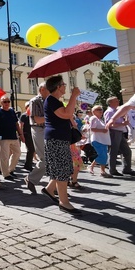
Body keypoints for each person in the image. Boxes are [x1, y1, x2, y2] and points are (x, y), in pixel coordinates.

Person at [41, 75, 82, 215]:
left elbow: (67, 114)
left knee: (60, 167)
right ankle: (64, 202)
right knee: (62, 169)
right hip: (56, 139)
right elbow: (66, 114)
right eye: (63, 84)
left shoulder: (54, 101)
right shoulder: (51, 100)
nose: (65, 86)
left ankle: (49, 189)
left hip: (59, 138)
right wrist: (74, 96)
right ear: (58, 87)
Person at [24, 82, 50, 194]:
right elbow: (37, 120)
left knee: (51, 159)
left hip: (47, 129)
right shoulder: (34, 101)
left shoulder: (49, 100)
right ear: (42, 89)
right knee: (45, 159)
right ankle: (31, 179)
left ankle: (54, 186)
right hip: (39, 130)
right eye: (49, 88)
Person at [103, 96, 135, 177]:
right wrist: (122, 124)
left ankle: (127, 169)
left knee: (127, 151)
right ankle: (112, 170)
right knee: (113, 151)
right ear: (110, 103)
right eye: (116, 101)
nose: (118, 102)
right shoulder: (109, 112)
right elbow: (109, 125)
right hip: (114, 132)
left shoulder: (116, 111)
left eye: (117, 100)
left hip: (120, 132)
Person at [0, 95, 24, 181]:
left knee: (17, 153)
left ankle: (10, 169)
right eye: (4, 101)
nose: (7, 103)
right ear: (1, 103)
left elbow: (16, 124)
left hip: (13, 136)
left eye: (8, 101)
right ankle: (6, 174)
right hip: (3, 137)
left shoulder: (12, 111)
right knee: (4, 156)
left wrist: (21, 134)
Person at [88, 104, 111, 177]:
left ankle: (102, 171)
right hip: (97, 140)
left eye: (101, 109)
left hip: (103, 140)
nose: (101, 111)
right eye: (98, 109)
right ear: (93, 111)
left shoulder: (100, 119)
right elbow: (92, 128)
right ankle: (92, 166)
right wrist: (102, 130)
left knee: (104, 156)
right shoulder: (93, 118)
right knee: (103, 156)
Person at [20, 101, 35, 171]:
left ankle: (29, 163)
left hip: (32, 134)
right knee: (30, 149)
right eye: (28, 106)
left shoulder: (32, 115)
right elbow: (21, 126)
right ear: (26, 107)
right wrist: (21, 135)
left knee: (32, 149)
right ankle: (27, 165)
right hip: (26, 134)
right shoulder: (24, 115)